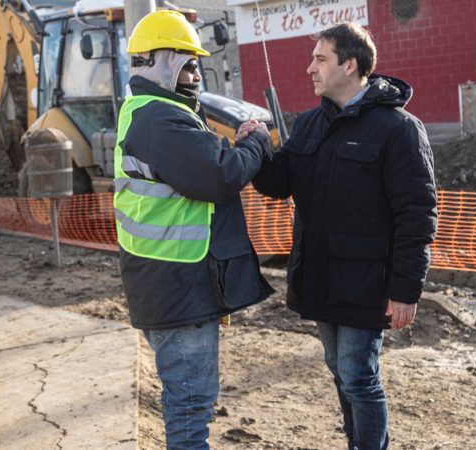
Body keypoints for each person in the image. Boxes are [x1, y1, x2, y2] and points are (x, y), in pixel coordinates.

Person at [245, 23, 437, 450]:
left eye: (320, 59)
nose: (310, 67)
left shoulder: (399, 129)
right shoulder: (311, 123)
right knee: (339, 368)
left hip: (368, 282)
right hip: (319, 274)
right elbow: (281, 182)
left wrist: (406, 290)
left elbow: (417, 215)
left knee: (358, 375)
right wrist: (260, 146)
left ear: (350, 65)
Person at [113, 10, 274, 450]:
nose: (196, 74)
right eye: (187, 63)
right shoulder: (161, 119)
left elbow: (197, 169)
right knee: (189, 406)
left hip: (171, 286)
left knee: (189, 403)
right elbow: (217, 176)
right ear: (162, 60)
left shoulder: (151, 112)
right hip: (177, 290)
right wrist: (256, 144)